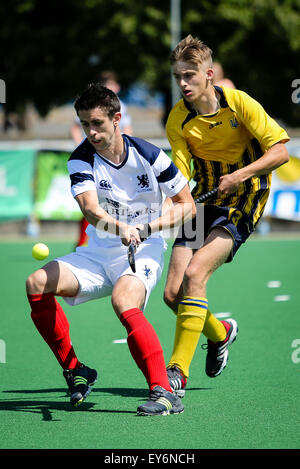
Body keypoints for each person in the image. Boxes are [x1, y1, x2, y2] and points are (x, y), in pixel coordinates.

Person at [26, 83, 196, 416]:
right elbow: (90, 209)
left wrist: (150, 228)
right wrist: (120, 228)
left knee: (123, 299)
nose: (91, 131)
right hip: (97, 252)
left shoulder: (150, 155)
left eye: (97, 123)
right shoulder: (81, 160)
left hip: (144, 248)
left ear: (117, 119)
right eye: (85, 123)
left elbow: (186, 204)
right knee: (35, 284)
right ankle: (76, 370)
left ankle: (163, 392)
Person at [163, 34, 290, 397]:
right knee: (172, 295)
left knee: (195, 273)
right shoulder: (178, 119)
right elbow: (180, 171)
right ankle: (220, 333)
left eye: (189, 75)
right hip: (205, 201)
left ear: (209, 73)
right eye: (178, 77)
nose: (183, 83)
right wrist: (174, 202)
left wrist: (240, 175)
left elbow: (280, 151)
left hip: (246, 197)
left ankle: (176, 375)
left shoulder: (239, 103)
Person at [71, 70, 133, 247]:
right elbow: (75, 128)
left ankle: (119, 236)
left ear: (117, 87)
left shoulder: (122, 107)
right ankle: (83, 242)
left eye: (111, 85)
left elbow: (127, 129)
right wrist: (80, 147)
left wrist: (124, 151)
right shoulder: (90, 107)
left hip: (115, 160)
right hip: (94, 160)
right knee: (90, 203)